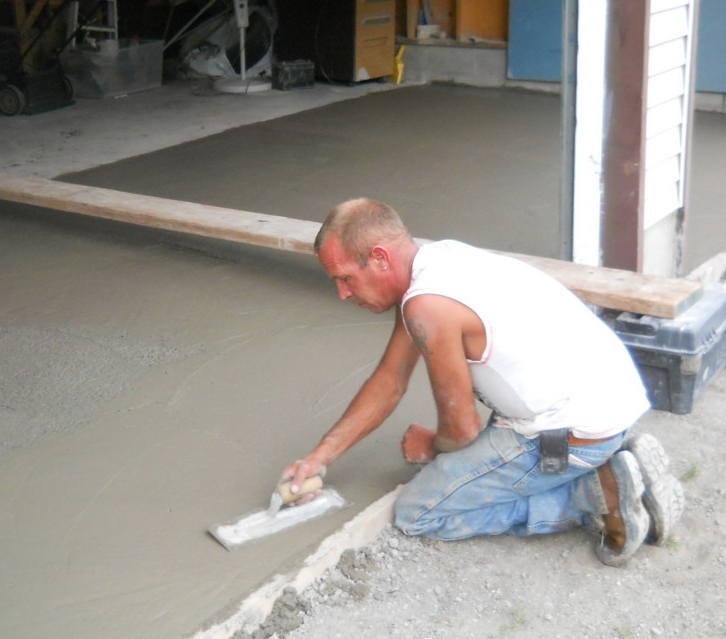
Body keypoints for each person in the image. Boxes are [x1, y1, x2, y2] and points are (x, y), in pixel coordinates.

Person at [281, 198, 683, 565]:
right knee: (470, 457)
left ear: (381, 258)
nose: (341, 293)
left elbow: (462, 430)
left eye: (346, 278)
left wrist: (432, 445)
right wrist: (321, 456)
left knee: (419, 511)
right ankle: (612, 467)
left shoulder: (428, 307)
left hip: (574, 431)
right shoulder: (441, 261)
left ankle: (595, 494)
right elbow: (389, 381)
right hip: (612, 400)